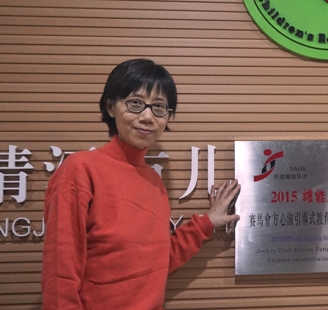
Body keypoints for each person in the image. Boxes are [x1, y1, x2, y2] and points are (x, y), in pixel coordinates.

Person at [41, 58, 241, 309]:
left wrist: (206, 223)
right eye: (136, 103)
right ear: (111, 107)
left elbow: (156, 262)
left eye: (159, 107)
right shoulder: (80, 169)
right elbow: (60, 272)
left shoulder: (154, 182)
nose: (147, 116)